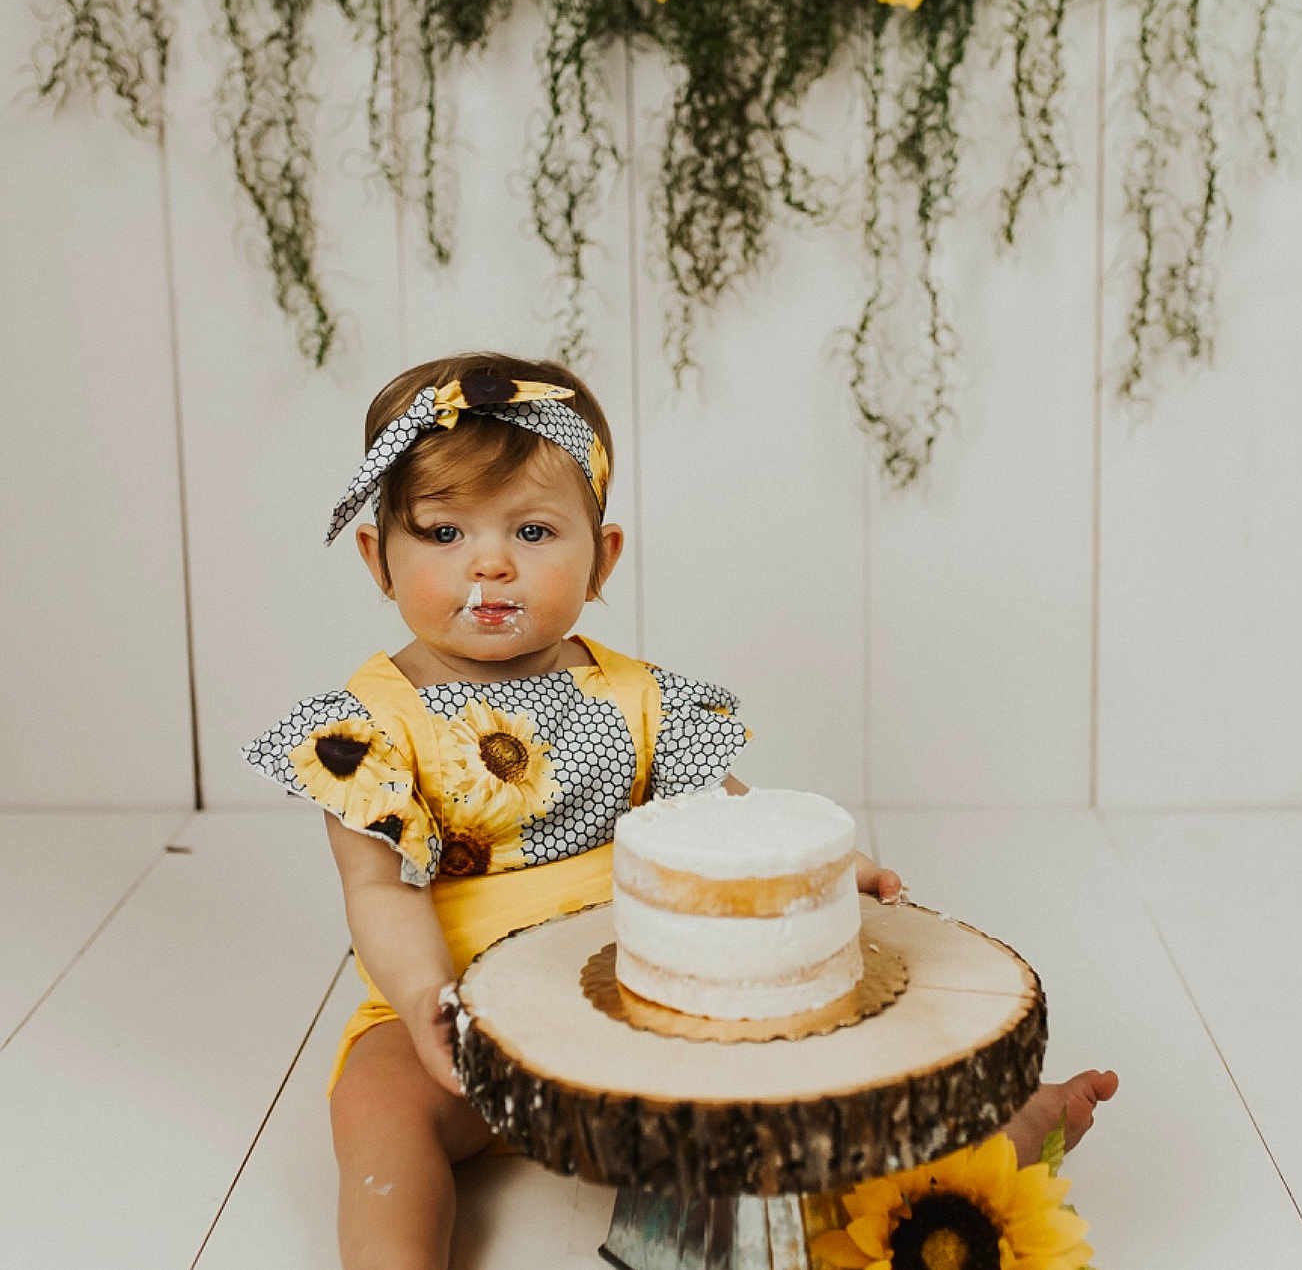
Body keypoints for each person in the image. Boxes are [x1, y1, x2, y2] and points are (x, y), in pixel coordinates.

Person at [244, 350, 1115, 1270]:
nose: (491, 564)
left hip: (643, 1002)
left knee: (792, 1087)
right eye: (444, 533)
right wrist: (424, 997)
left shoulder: (642, 699)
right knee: (374, 1105)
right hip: (457, 1025)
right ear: (380, 559)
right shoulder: (367, 727)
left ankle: (979, 1143)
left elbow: (730, 819)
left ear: (601, 557)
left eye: (534, 533)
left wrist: (814, 873)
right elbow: (380, 892)